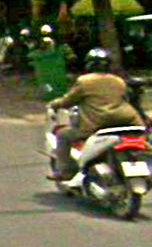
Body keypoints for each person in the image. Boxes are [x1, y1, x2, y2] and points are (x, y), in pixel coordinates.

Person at [47, 48, 144, 181]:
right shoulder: (118, 81)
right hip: (128, 121)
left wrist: (54, 104)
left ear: (89, 64)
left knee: (63, 135)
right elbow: (126, 98)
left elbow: (67, 101)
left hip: (99, 124)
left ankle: (65, 171)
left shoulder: (84, 81)